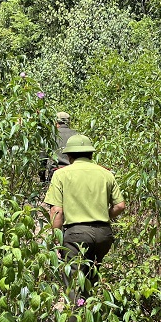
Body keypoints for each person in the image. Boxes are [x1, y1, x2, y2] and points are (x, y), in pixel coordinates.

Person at [44, 134, 126, 293]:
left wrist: (56, 241)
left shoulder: (61, 174)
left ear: (69, 156)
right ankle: (95, 314)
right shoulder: (106, 174)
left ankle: (77, 316)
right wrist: (103, 214)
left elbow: (57, 211)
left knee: (74, 285)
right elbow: (120, 206)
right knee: (93, 279)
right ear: (91, 154)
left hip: (76, 236)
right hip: (103, 235)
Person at [42, 111, 78, 182]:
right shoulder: (77, 135)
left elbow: (43, 157)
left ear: (56, 122)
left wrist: (42, 178)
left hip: (55, 173)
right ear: (69, 122)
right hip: (73, 173)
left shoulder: (50, 136)